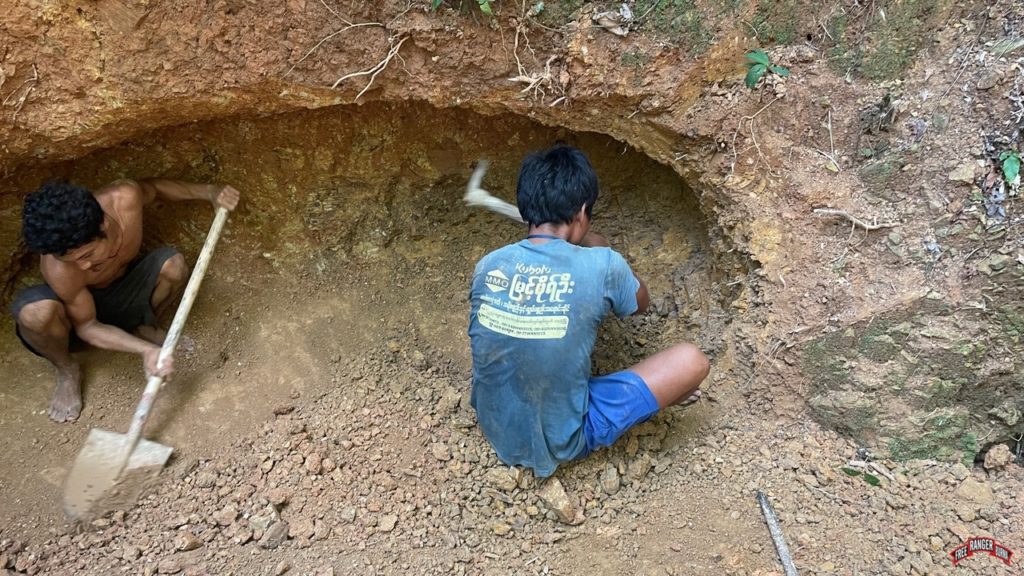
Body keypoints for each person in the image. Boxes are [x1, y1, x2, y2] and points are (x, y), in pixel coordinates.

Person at [467, 145, 710, 478]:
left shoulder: (488, 265)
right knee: (691, 361)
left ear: (527, 208)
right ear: (581, 213)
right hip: (561, 439)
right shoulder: (603, 264)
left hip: (497, 425)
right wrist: (604, 249)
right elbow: (640, 304)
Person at [11, 178, 240, 423]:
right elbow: (87, 326)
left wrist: (210, 191)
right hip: (77, 321)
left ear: (102, 223)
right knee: (36, 313)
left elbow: (157, 189)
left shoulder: (124, 198)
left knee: (173, 265)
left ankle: (145, 326)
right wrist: (146, 352)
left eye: (88, 254)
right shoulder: (58, 269)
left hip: (124, 293)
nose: (84, 266)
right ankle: (67, 370)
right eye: (72, 260)